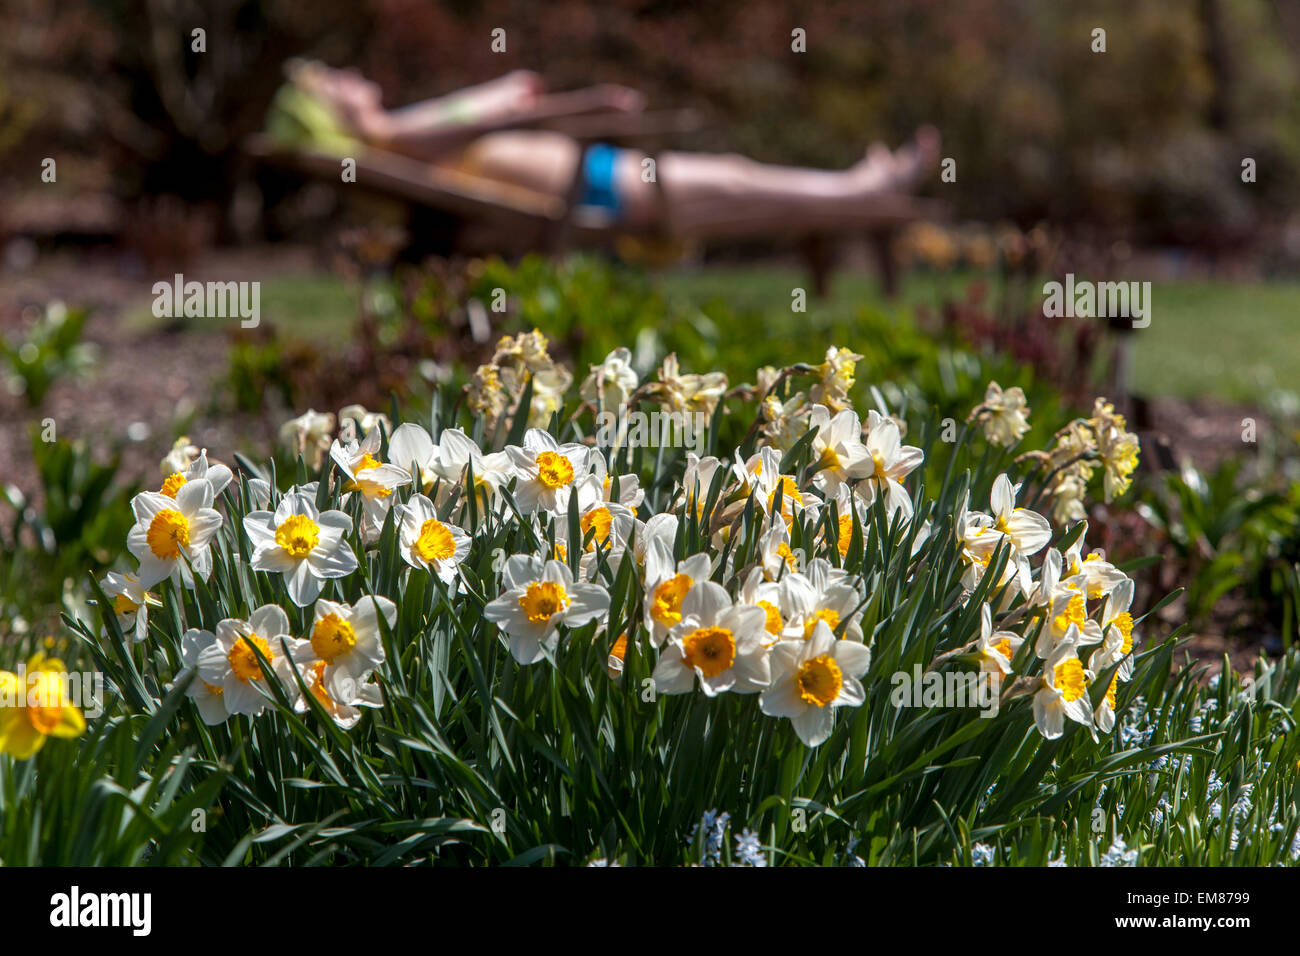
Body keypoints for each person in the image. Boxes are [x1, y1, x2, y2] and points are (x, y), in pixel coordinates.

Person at [277, 62, 940, 235]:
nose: (351, 77)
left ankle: (862, 187)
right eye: (335, 82)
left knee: (735, 195)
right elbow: (483, 127)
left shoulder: (396, 131)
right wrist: (586, 105)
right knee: (736, 184)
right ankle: (863, 189)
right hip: (591, 186)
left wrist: (508, 91)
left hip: (588, 178)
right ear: (331, 110)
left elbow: (486, 114)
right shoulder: (393, 135)